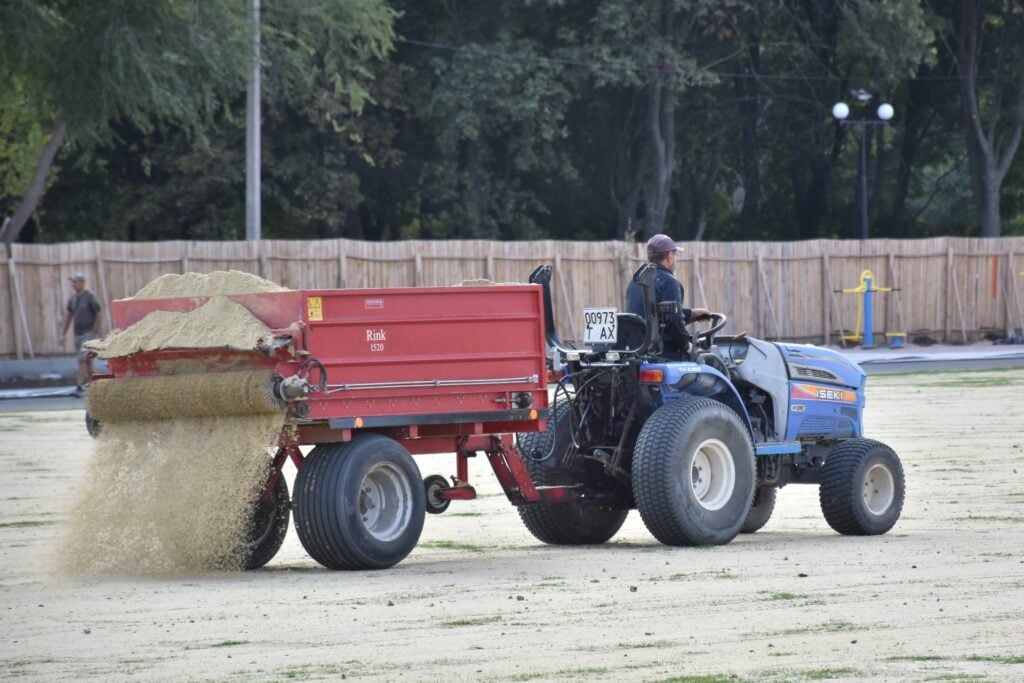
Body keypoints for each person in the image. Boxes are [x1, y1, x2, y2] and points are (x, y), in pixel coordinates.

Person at [625, 234, 710, 357]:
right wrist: (686, 345)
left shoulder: (636, 280)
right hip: (661, 353)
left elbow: (655, 313)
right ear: (670, 256)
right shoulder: (669, 281)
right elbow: (673, 321)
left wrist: (692, 313)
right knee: (710, 360)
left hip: (637, 350)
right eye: (674, 255)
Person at [61, 272, 102, 396]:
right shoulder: (73, 299)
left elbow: (99, 314)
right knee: (87, 361)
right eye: (73, 282)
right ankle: (98, 384)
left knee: (83, 359)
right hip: (77, 334)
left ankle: (79, 385)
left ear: (82, 283)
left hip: (88, 333)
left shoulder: (90, 297)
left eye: (76, 282)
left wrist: (94, 331)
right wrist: (63, 334)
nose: (74, 284)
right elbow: (69, 316)